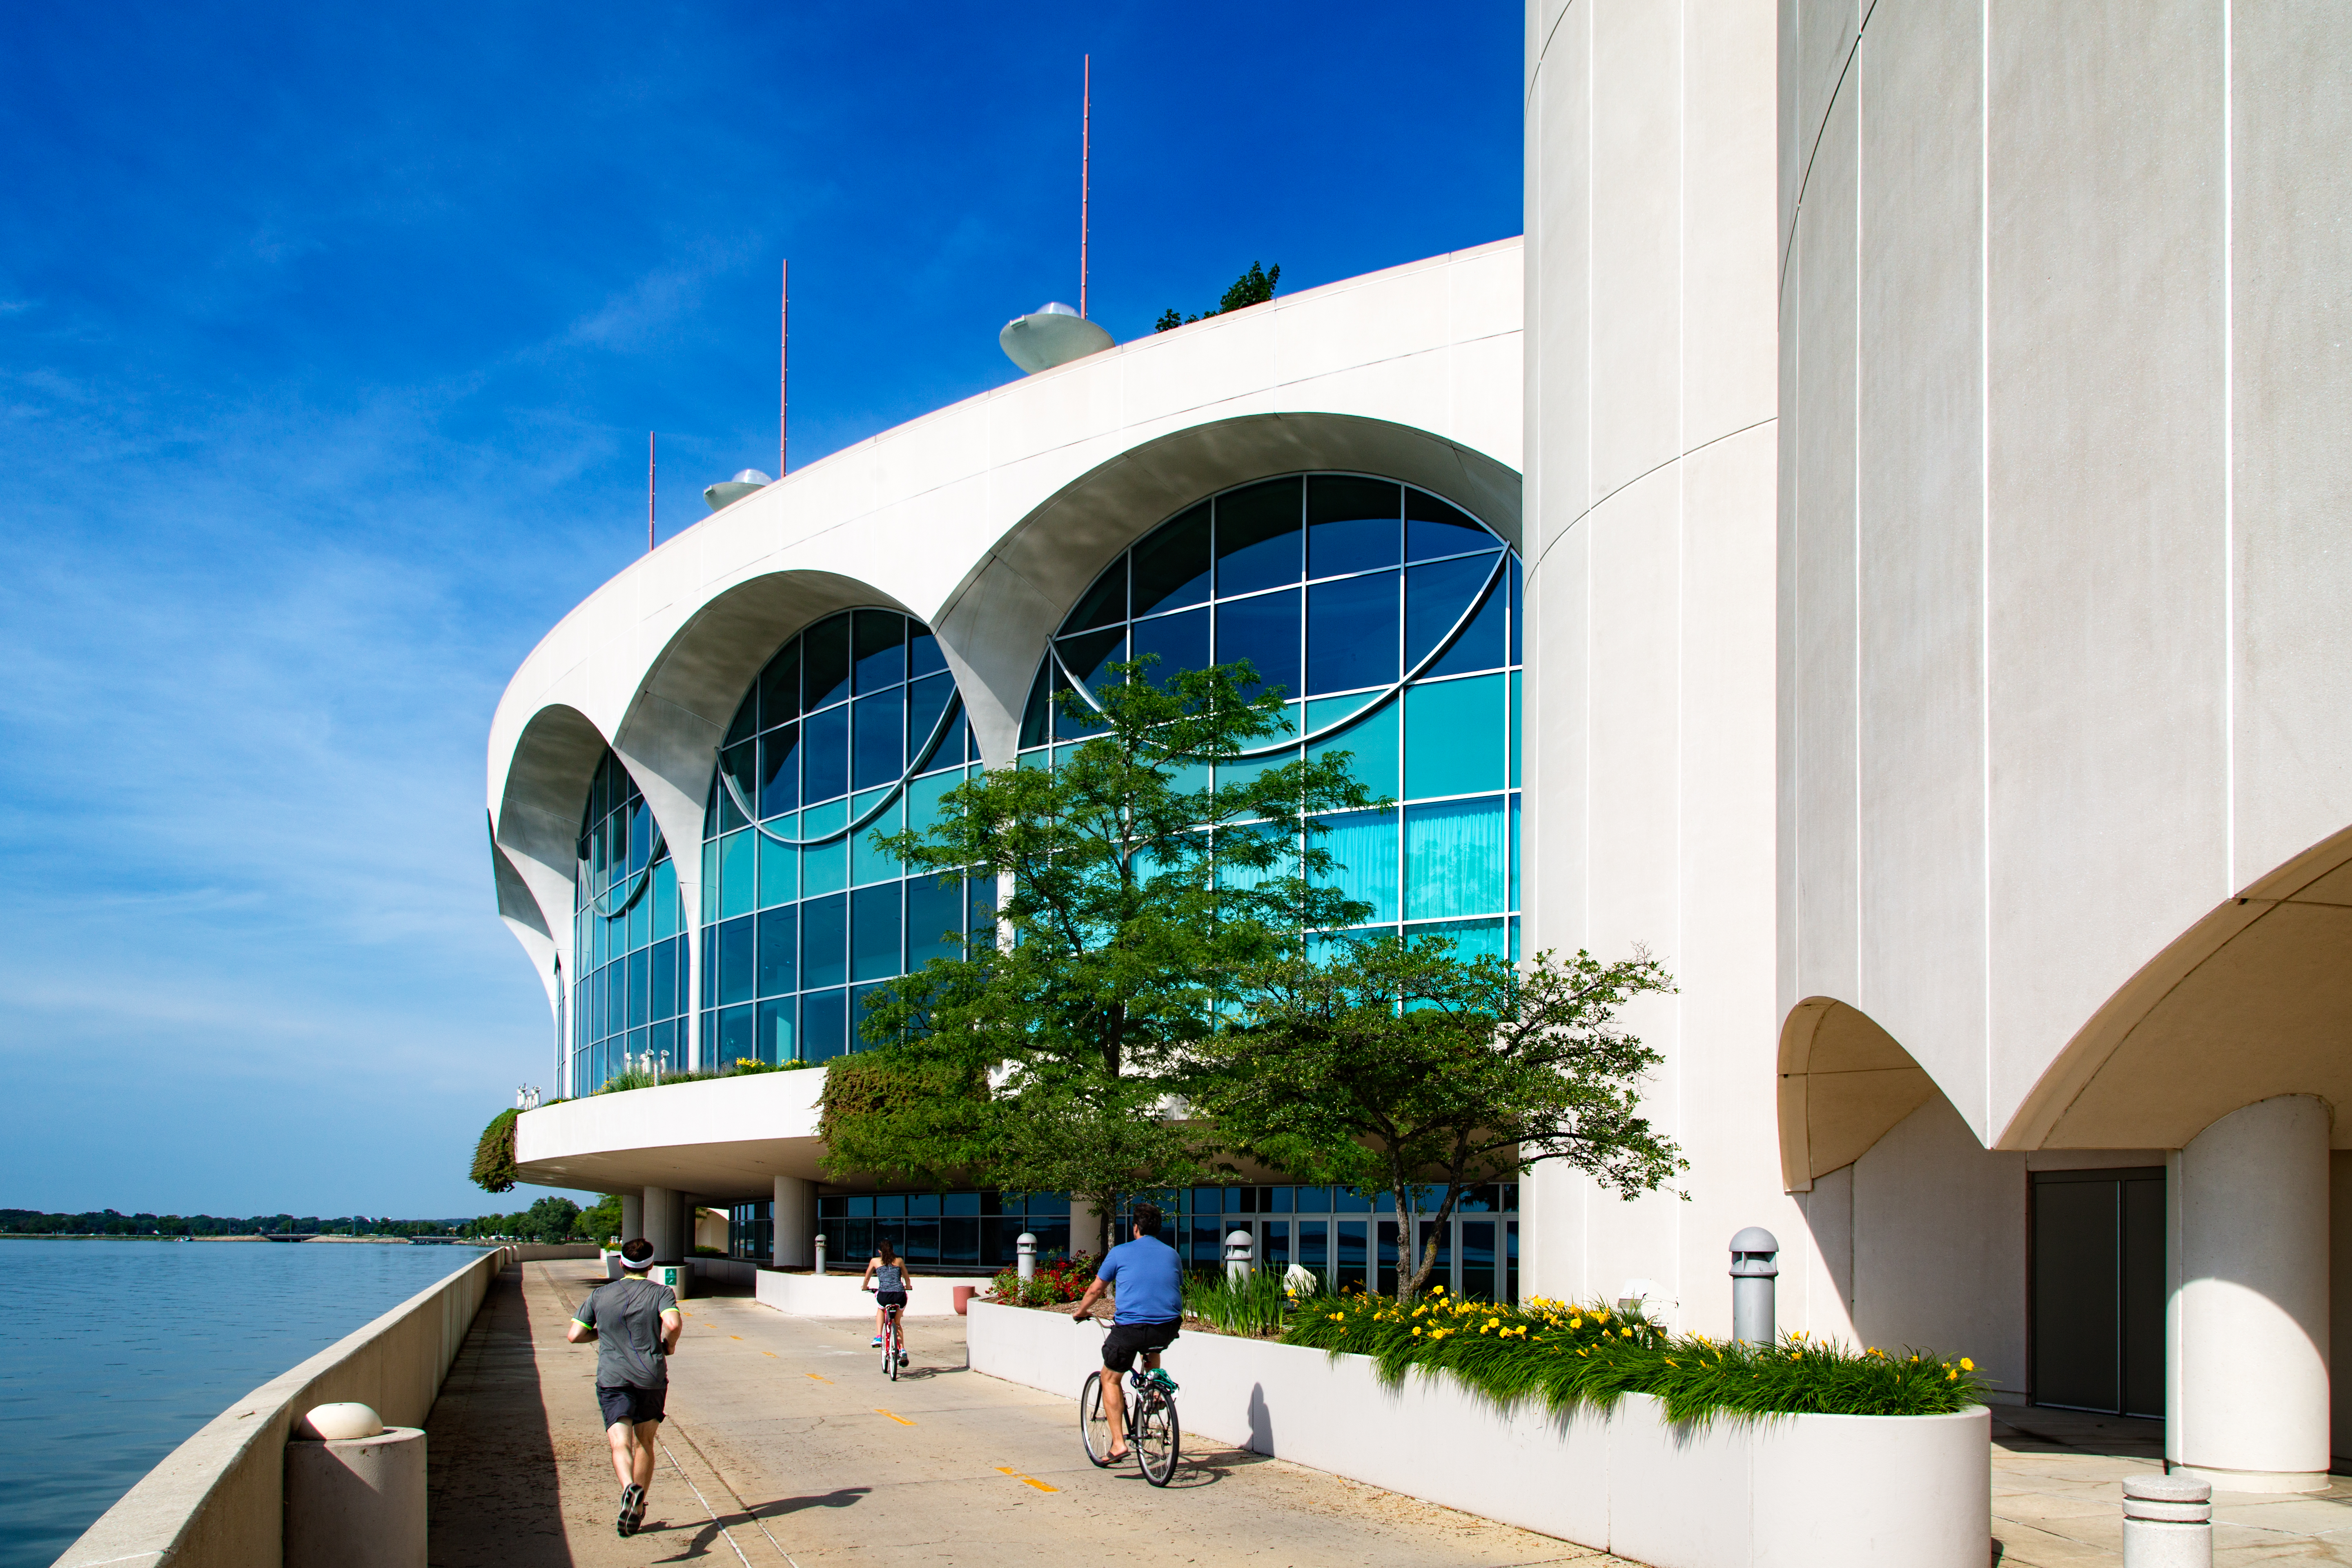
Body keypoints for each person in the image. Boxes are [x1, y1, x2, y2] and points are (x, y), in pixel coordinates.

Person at [566, 1236, 682, 1538]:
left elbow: (575, 1335)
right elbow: (672, 1324)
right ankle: (639, 1504)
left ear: (621, 1263)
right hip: (650, 1378)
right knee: (645, 1442)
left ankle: (628, 1487)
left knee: (620, 1443)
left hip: (612, 1378)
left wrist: (602, 1335)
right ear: (651, 1265)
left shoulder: (600, 1295)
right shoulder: (662, 1293)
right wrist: (668, 1345)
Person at [1072, 1202, 1183, 1462]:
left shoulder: (1120, 1253)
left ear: (1136, 1228)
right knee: (1152, 1348)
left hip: (1132, 1327)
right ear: (1158, 1229)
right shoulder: (1172, 1254)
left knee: (1109, 1378)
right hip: (1167, 1327)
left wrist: (1080, 1312)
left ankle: (1119, 1444)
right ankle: (1154, 1390)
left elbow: (1097, 1290)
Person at [861, 1238, 911, 1363]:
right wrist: (908, 1287)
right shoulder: (899, 1261)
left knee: (880, 1309)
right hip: (900, 1295)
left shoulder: (875, 1261)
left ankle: (879, 1336)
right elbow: (907, 1278)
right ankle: (902, 1350)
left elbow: (867, 1279)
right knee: (898, 1323)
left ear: (880, 1252)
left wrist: (865, 1287)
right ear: (893, 1250)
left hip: (885, 1295)